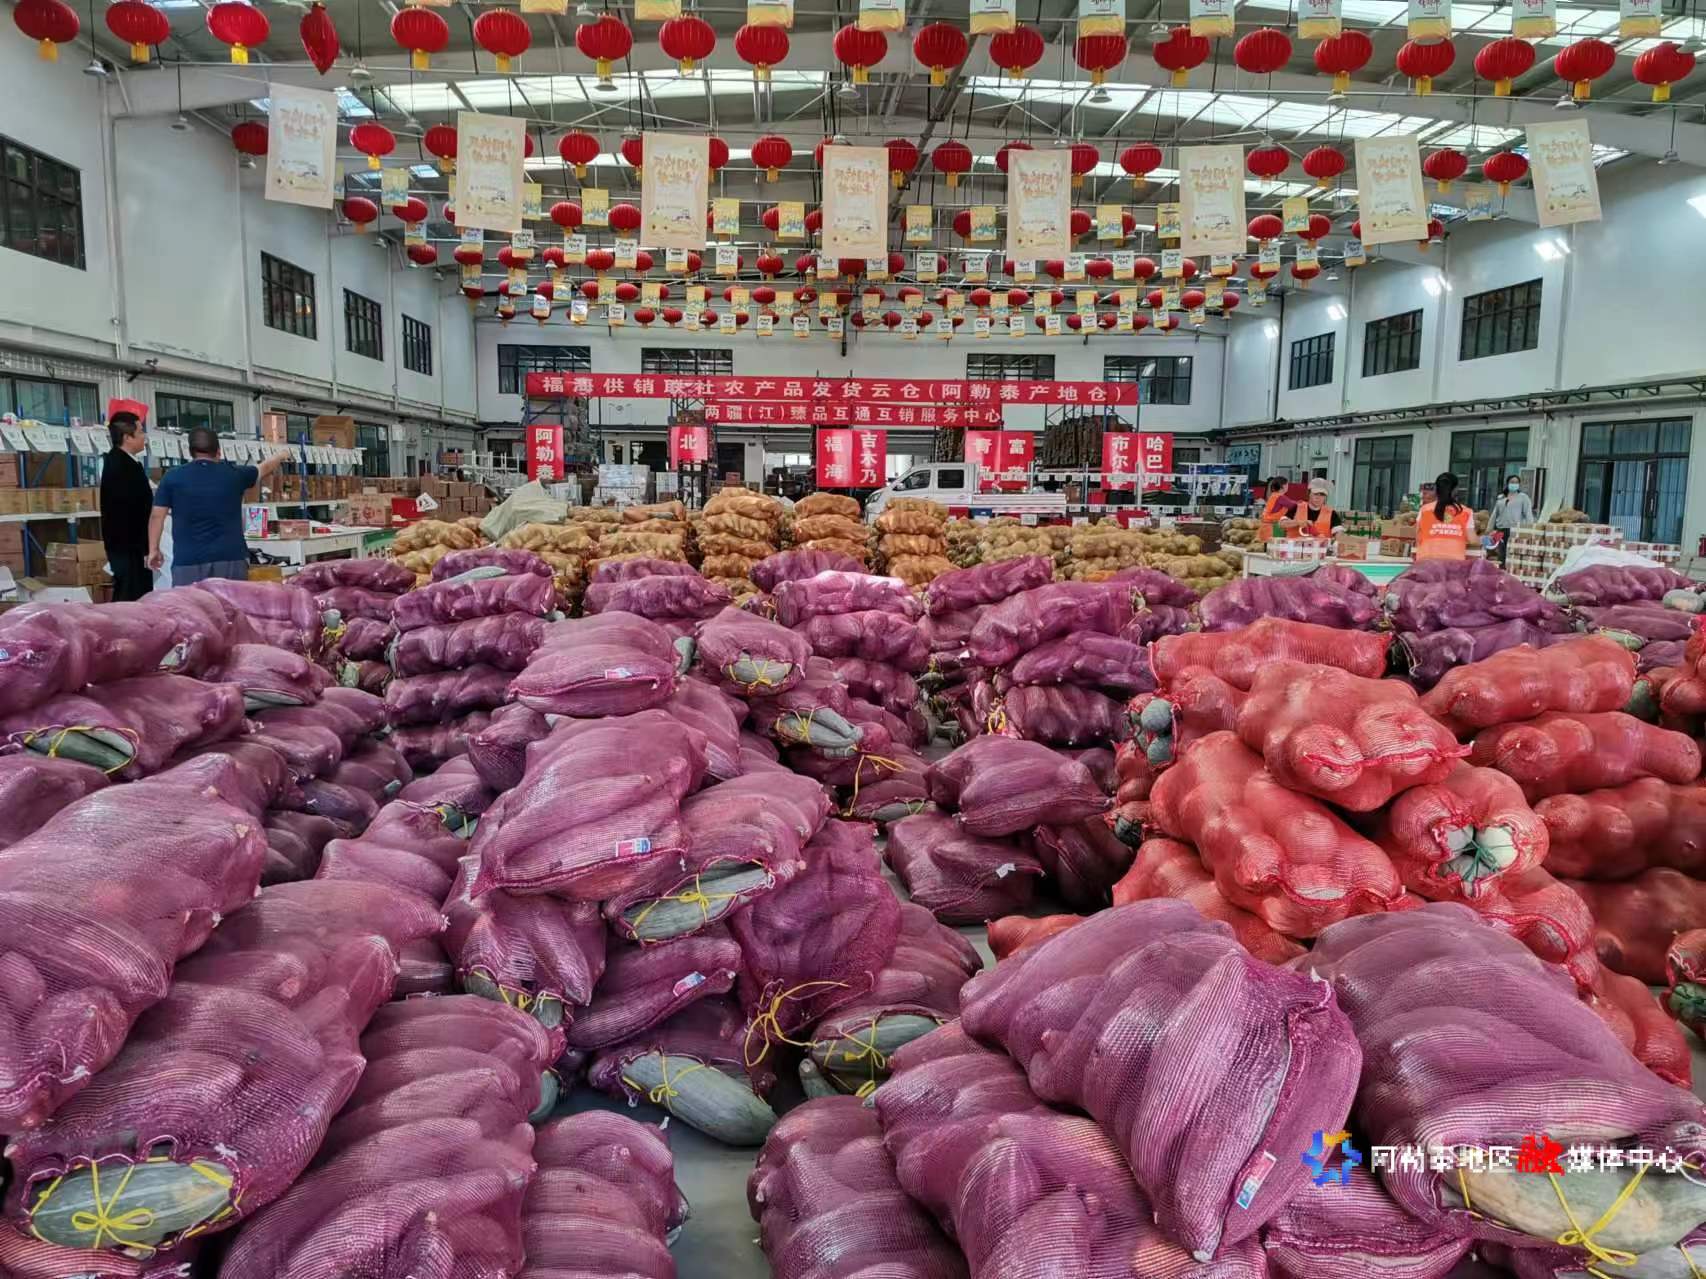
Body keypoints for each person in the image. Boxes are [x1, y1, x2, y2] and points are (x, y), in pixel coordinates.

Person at [147, 427, 292, 585]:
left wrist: (153, 549)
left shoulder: (172, 477)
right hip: (231, 558)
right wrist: (281, 455)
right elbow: (264, 468)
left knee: (191, 601)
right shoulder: (235, 474)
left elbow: (157, 516)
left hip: (189, 561)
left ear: (190, 452)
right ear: (219, 451)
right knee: (231, 601)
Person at [99, 411, 153, 601]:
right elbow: (132, 510)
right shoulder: (121, 466)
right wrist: (146, 547)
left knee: (135, 593)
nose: (144, 437)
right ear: (127, 437)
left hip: (130, 545)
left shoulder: (126, 462)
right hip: (128, 545)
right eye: (140, 432)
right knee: (130, 595)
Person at [1414, 471, 1472, 561]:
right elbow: (1472, 539)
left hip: (1426, 561)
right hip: (1454, 562)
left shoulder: (1425, 510)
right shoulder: (1465, 512)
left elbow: (1417, 535)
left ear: (1436, 489)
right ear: (1455, 490)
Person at [1490, 474, 1534, 564]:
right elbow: (1495, 514)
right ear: (1507, 483)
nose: (1514, 484)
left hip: (1515, 529)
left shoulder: (1523, 497)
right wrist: (1489, 528)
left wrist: (1530, 529)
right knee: (1501, 552)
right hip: (1501, 529)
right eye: (1512, 482)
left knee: (1512, 552)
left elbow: (1528, 514)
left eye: (1516, 482)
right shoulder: (1501, 497)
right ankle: (1501, 569)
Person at [1257, 475, 1296, 542]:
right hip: (1272, 530)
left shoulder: (1274, 495)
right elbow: (1294, 506)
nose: (1288, 486)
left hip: (1265, 528)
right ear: (1283, 486)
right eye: (1287, 484)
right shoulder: (1280, 497)